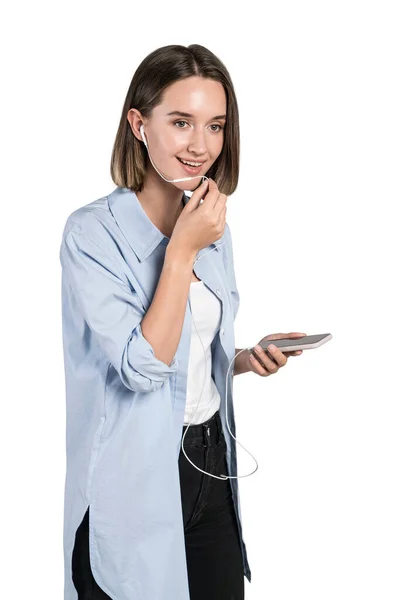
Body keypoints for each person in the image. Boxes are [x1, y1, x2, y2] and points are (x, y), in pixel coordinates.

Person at [60, 43, 305, 600]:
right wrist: (181, 251)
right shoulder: (92, 235)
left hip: (210, 464)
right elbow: (142, 369)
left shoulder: (210, 224)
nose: (201, 145)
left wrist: (243, 358)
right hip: (134, 476)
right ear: (138, 124)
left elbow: (190, 355)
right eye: (181, 122)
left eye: (215, 125)